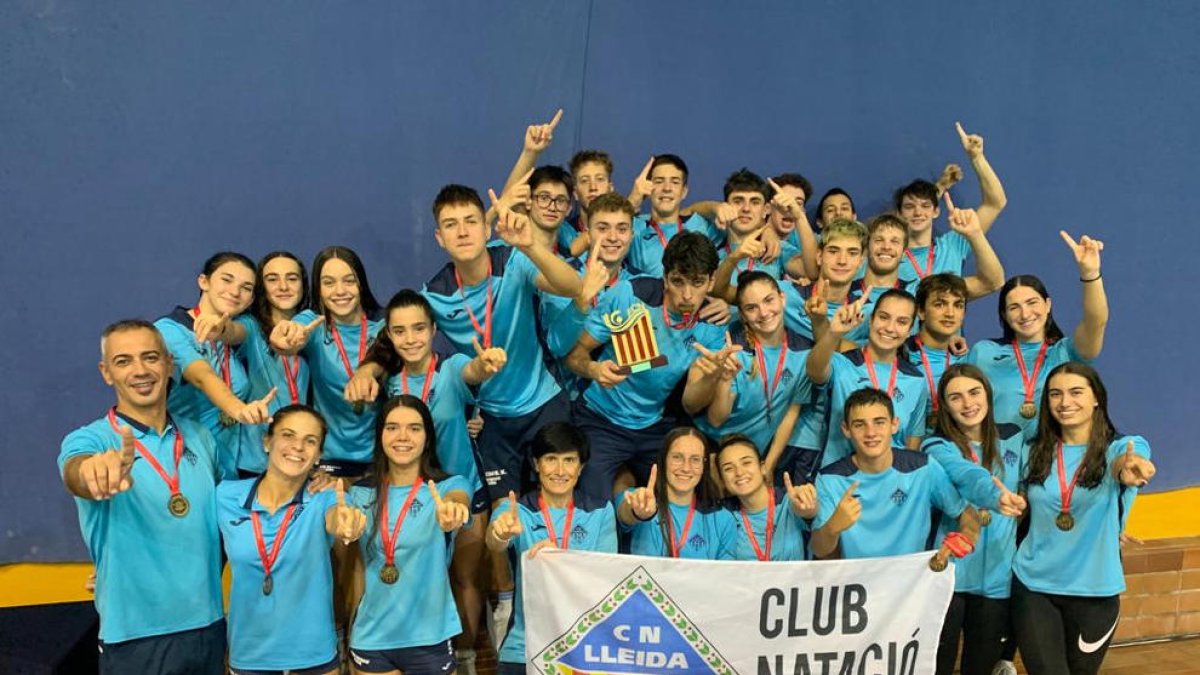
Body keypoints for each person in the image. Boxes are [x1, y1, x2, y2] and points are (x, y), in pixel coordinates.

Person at [347, 289, 507, 670]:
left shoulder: (450, 369)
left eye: (419, 328)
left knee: (465, 579)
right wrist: (363, 376)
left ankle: (464, 657)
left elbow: (472, 371)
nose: (411, 339)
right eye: (400, 331)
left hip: (459, 490)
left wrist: (485, 365)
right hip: (408, 493)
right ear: (389, 335)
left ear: (434, 330)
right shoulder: (387, 381)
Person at [58, 319, 226, 674]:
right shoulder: (92, 440)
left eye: (150, 357)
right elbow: (76, 472)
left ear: (168, 364)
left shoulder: (200, 436)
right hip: (135, 638)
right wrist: (93, 471)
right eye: (123, 361)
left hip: (208, 627)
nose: (140, 371)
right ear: (106, 373)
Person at [1011, 362, 1154, 674]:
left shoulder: (1118, 449)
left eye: (1076, 392)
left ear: (1096, 398)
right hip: (1034, 586)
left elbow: (1130, 458)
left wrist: (1132, 467)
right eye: (1055, 394)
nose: (1065, 402)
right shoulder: (1033, 450)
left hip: (1095, 593)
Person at [566, 231, 728, 502]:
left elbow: (690, 405)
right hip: (601, 418)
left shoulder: (711, 326)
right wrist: (594, 369)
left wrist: (713, 376)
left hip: (655, 426)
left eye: (698, 282)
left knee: (684, 499)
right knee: (594, 504)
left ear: (711, 282)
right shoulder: (630, 295)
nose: (687, 295)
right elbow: (574, 355)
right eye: (678, 281)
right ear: (665, 277)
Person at [216, 405, 367, 675]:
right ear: (267, 442)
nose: (298, 446)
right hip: (249, 653)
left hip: (314, 655)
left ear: (318, 455)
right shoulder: (225, 496)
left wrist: (347, 524)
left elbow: (338, 517)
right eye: (288, 435)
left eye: (310, 441)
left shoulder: (326, 497)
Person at [347, 395, 472, 675]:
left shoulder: (448, 486)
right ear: (380, 435)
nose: (402, 436)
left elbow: (458, 499)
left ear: (427, 439)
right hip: (371, 635)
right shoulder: (360, 493)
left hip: (430, 635)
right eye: (392, 427)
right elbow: (357, 567)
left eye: (414, 428)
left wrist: (454, 510)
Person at [486, 422, 618, 675]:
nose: (559, 471)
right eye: (550, 459)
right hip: (524, 647)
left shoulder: (600, 511)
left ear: (581, 467)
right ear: (536, 464)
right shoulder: (516, 511)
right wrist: (501, 533)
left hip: (583, 647)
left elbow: (604, 577)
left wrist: (559, 559)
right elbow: (493, 540)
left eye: (569, 460)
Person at [923, 365, 1028, 675]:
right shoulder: (936, 446)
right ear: (944, 405)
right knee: (938, 666)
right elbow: (966, 474)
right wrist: (996, 497)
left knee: (980, 667)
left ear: (988, 394)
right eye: (955, 397)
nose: (968, 403)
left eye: (974, 392)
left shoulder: (1014, 436)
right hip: (950, 574)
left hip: (997, 577)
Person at [811, 388, 992, 563]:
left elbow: (966, 513)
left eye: (879, 422)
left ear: (894, 424)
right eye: (859, 425)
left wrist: (966, 537)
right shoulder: (829, 479)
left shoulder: (924, 468)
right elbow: (819, 551)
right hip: (858, 580)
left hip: (912, 579)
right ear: (846, 429)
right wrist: (832, 527)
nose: (870, 433)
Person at [967, 231, 1108, 439]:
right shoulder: (984, 353)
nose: (1025, 314)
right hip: (999, 456)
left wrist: (1090, 273)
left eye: (1032, 303)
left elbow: (1095, 321)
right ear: (1004, 315)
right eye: (1014, 307)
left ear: (1048, 305)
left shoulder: (1067, 352)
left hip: (1052, 455)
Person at [154, 252, 275, 477]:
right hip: (182, 463)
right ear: (204, 282)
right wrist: (239, 410)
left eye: (246, 287)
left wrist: (220, 330)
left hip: (226, 470)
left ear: (250, 300)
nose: (235, 291)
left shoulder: (240, 330)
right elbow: (202, 376)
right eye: (227, 279)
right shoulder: (168, 330)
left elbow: (234, 332)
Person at [271, 246, 386, 478]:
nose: (340, 291)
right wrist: (285, 340)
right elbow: (294, 333)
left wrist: (366, 372)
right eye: (329, 283)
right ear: (319, 289)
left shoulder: (383, 325)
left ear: (361, 284)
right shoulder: (314, 325)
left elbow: (388, 353)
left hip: (381, 460)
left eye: (349, 281)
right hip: (327, 463)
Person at [691, 271, 813, 480]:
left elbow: (791, 412)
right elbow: (716, 420)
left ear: (782, 298)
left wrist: (769, 464)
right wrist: (724, 380)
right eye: (751, 308)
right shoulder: (734, 350)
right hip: (712, 448)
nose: (763, 313)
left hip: (754, 455)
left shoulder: (803, 351)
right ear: (742, 314)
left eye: (768, 300)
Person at [806, 289, 930, 463]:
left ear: (910, 330)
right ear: (871, 320)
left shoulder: (916, 380)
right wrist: (834, 332)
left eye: (902, 322)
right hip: (839, 473)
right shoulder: (843, 364)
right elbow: (814, 371)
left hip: (890, 477)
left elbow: (911, 445)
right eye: (883, 317)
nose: (890, 328)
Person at [228, 251, 313, 476]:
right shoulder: (251, 326)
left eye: (292, 278)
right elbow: (234, 332)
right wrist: (220, 328)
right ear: (261, 287)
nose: (283, 286)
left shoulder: (311, 330)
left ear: (303, 285)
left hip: (299, 457)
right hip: (256, 460)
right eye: (272, 279)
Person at [894, 122, 1007, 282]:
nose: (918, 212)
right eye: (909, 206)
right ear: (899, 213)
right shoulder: (888, 255)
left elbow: (995, 203)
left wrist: (977, 158)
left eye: (925, 206)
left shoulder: (953, 245)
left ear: (936, 212)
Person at [616, 428, 734, 559]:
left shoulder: (723, 519)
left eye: (695, 459)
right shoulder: (640, 498)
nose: (686, 468)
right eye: (677, 457)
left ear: (703, 466)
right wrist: (638, 513)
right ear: (663, 460)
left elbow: (725, 571)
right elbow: (624, 514)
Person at [624, 154, 727, 277]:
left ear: (684, 191)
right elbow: (606, 235)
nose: (667, 188)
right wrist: (633, 199)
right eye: (659, 181)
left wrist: (716, 207)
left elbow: (739, 233)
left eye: (675, 182)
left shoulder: (699, 225)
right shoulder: (635, 226)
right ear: (648, 188)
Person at [716, 435, 816, 561]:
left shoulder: (789, 501)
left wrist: (808, 509)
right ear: (722, 480)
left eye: (746, 463)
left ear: (763, 468)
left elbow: (811, 515)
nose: (739, 472)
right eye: (728, 468)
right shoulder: (723, 515)